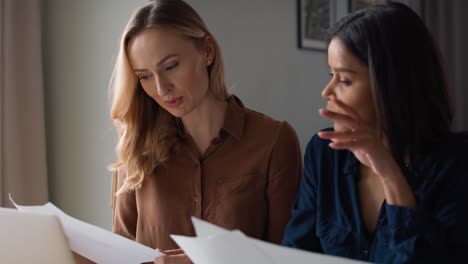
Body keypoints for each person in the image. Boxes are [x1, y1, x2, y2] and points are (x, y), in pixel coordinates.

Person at [108, 0, 302, 263]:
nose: (162, 88)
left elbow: (288, 257)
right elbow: (120, 251)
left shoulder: (274, 141)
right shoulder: (137, 145)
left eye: (170, 66)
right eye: (145, 76)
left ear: (207, 51)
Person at [282, 2, 468, 263]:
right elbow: (295, 252)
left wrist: (389, 173)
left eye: (344, 80)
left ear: (393, 86)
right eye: (330, 74)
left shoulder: (456, 163)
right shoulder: (324, 152)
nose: (327, 91)